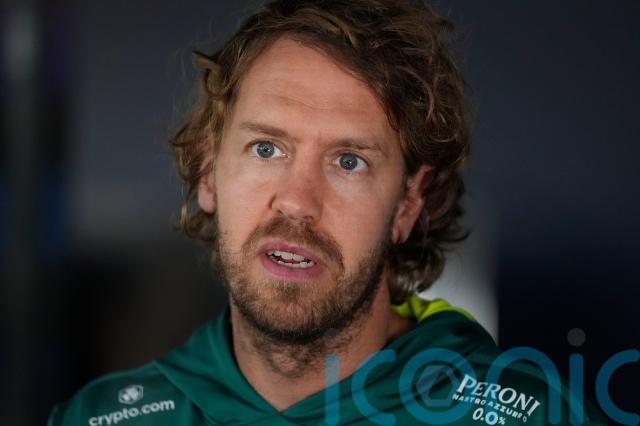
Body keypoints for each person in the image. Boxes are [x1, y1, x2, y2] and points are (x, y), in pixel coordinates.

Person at [49, 0, 609, 424]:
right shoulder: (100, 417)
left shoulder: (525, 415)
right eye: (266, 149)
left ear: (408, 203)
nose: (297, 200)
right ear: (207, 172)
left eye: (348, 161)